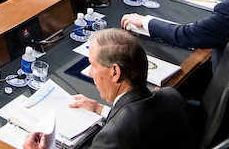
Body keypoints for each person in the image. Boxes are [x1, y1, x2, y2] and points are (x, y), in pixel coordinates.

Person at [56, 30, 195, 149]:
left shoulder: (111, 138)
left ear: (115, 72)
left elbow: (126, 129)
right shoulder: (172, 95)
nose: (91, 72)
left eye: (93, 65)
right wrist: (100, 109)